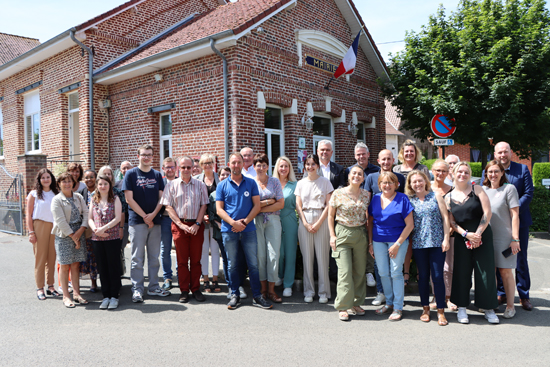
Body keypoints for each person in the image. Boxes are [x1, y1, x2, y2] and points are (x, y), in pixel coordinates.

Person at [216, 152, 272, 310]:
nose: (236, 165)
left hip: (249, 229)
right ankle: (234, 294)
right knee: (232, 265)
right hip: (229, 229)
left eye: (239, 162)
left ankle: (257, 296)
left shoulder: (251, 183)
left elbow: (257, 206)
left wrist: (245, 222)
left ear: (242, 164)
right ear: (229, 164)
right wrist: (233, 223)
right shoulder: (222, 185)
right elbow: (219, 210)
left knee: (253, 264)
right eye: (233, 162)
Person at [446, 162, 499, 324]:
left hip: (482, 235)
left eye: (466, 172)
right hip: (463, 237)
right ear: (453, 173)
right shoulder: (447, 197)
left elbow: (487, 213)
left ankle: (488, 308)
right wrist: (466, 234)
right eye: (459, 172)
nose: (462, 174)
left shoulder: (478, 190)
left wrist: (478, 234)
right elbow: (452, 222)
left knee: (485, 271)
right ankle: (461, 308)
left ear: (470, 174)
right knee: (462, 271)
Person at [489, 142, 534, 311]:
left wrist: (512, 208)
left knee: (520, 258)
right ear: (495, 154)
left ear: (510, 152)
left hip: (519, 222)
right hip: (498, 224)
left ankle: (524, 295)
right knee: (501, 257)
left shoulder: (522, 170)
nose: (503, 155)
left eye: (505, 152)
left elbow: (528, 193)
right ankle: (501, 292)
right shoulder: (492, 170)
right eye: (499, 152)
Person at [123, 144, 170, 303]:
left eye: (149, 154)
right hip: (137, 222)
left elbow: (162, 198)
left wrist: (153, 215)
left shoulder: (157, 175)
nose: (147, 157)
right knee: (137, 257)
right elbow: (129, 199)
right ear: (138, 156)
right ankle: (137, 289)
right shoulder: (130, 174)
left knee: (154, 257)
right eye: (144, 154)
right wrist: (145, 216)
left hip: (155, 222)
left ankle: (154, 287)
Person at [161, 156, 209, 303]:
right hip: (179, 225)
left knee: (196, 260)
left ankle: (195, 289)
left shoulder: (200, 185)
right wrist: (180, 225)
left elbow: (204, 205)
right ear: (178, 168)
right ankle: (183, 290)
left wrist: (198, 224)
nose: (186, 170)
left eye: (189, 167)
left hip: (196, 226)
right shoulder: (171, 185)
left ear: (193, 168)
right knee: (182, 261)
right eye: (183, 167)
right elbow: (168, 206)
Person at [368, 171, 414, 321]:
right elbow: (370, 222)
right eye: (384, 182)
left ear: (396, 184)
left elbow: (410, 225)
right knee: (382, 272)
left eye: (390, 182)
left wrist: (397, 244)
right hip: (378, 240)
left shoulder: (402, 198)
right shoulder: (375, 198)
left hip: (397, 240)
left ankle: (398, 306)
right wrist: (370, 243)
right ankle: (389, 303)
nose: (387, 185)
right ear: (379, 185)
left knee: (396, 272)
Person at [406, 170, 450, 326]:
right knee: (423, 277)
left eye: (420, 180)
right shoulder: (409, 200)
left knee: (438, 277)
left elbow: (445, 218)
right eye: (414, 182)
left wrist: (446, 238)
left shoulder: (436, 196)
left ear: (425, 181)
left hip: (437, 243)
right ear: (410, 185)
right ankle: (425, 308)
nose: (417, 184)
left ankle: (440, 311)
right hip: (419, 244)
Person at [328, 165, 370, 321]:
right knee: (345, 272)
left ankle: (356, 303)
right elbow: (330, 216)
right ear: (349, 176)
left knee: (359, 272)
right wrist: (332, 235)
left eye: (360, 174)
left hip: (360, 234)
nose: (357, 176)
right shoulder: (338, 193)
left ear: (363, 178)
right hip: (343, 233)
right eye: (354, 173)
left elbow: (368, 217)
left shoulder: (366, 195)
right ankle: (343, 306)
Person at [364, 149, 405, 305]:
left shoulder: (400, 177)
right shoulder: (371, 177)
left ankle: (396, 298)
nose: (386, 162)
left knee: (395, 269)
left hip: (396, 230)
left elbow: (402, 201)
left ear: (393, 160)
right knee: (380, 266)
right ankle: (382, 293)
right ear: (378, 160)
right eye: (383, 159)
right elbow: (368, 204)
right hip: (378, 230)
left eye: (389, 159)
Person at [483, 160, 520, 318]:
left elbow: (515, 215)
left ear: (502, 173)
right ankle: (491, 305)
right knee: (490, 272)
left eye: (496, 171)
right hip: (486, 238)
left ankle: (511, 306)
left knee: (505, 272)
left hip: (505, 238)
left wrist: (515, 238)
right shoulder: (483, 190)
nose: (493, 174)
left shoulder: (509, 189)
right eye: (490, 171)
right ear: (486, 173)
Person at [295, 154, 333, 303]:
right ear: (304, 166)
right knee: (307, 259)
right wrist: (304, 223)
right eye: (308, 164)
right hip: (305, 219)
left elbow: (329, 205)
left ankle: (324, 292)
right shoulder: (301, 183)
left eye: (313, 164)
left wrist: (318, 223)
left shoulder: (325, 182)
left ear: (318, 166)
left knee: (323, 258)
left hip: (321, 219)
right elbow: (298, 205)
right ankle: (309, 291)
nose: (310, 167)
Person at [343, 143, 380, 288]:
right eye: (358, 154)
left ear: (368, 154)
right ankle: (357, 274)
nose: (361, 157)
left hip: (372, 213)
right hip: (354, 214)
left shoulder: (376, 171)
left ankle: (369, 272)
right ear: (354, 156)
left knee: (369, 243)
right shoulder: (349, 170)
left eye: (363, 154)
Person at [393, 139, 428, 285]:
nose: (409, 153)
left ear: (416, 153)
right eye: (406, 151)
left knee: (420, 241)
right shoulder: (396, 170)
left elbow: (428, 187)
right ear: (402, 153)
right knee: (406, 241)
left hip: (420, 207)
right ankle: (406, 273)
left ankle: (421, 273)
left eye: (411, 151)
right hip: (403, 209)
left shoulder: (423, 168)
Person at [51, 172, 89, 308]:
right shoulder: (56, 200)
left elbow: (86, 213)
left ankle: (77, 294)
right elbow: (60, 221)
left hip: (79, 232)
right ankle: (66, 296)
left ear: (73, 183)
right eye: (64, 181)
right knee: (65, 265)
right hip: (64, 236)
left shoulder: (78, 197)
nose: (67, 184)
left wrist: (81, 231)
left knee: (75, 265)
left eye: (69, 181)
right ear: (59, 184)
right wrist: (74, 237)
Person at [253, 153, 284, 303]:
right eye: (258, 165)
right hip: (256, 221)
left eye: (264, 165)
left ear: (268, 166)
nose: (261, 167)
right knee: (260, 255)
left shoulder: (275, 181)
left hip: (273, 219)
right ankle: (263, 290)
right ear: (254, 167)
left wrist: (260, 207)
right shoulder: (251, 183)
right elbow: (251, 207)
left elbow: (280, 204)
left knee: (273, 254)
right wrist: (268, 202)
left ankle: (271, 290)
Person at [88, 175, 122, 309]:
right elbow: (90, 218)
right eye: (100, 184)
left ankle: (114, 296)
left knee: (113, 267)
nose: (103, 186)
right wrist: (95, 229)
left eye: (105, 184)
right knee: (102, 268)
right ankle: (105, 296)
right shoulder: (94, 200)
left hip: (112, 238)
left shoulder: (115, 199)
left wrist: (103, 228)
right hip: (97, 239)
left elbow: (118, 218)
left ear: (110, 186)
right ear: (97, 186)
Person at [315, 140, 346, 285]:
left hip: (334, 213)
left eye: (327, 150)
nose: (324, 152)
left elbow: (341, 187)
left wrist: (330, 199)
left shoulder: (339, 169)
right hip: (316, 212)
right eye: (322, 150)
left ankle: (334, 276)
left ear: (331, 152)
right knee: (317, 245)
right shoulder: (312, 167)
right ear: (317, 151)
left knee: (333, 243)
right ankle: (317, 275)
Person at [26, 168, 59, 300]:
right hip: (39, 226)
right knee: (40, 258)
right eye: (43, 177)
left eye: (48, 177)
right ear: (39, 180)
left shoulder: (56, 193)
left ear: (52, 179)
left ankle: (50, 286)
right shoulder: (34, 194)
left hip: (54, 227)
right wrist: (31, 232)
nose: (46, 179)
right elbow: (28, 214)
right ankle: (40, 287)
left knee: (52, 258)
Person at [430, 159, 457, 311]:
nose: (440, 173)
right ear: (432, 171)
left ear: (448, 173)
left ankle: (449, 297)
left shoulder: (453, 190)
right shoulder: (427, 189)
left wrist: (449, 231)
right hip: (432, 236)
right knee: (434, 268)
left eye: (444, 171)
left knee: (449, 266)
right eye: (437, 170)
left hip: (451, 234)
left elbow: (455, 213)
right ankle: (436, 295)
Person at [194, 154, 221, 293]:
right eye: (205, 163)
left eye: (210, 162)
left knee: (215, 250)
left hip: (216, 221)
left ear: (213, 164)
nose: (208, 165)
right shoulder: (196, 180)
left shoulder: (220, 179)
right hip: (202, 221)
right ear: (201, 165)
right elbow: (195, 201)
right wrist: (202, 215)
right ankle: (205, 279)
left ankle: (215, 279)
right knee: (204, 250)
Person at [272, 156, 299, 298]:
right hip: (274, 219)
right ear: (277, 168)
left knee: (290, 253)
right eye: (281, 166)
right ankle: (280, 275)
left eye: (286, 166)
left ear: (289, 168)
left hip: (290, 219)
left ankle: (288, 284)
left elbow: (299, 205)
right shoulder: (272, 183)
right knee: (279, 252)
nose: (283, 169)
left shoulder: (295, 185)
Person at [98, 165, 128, 276]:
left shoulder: (118, 192)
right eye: (104, 174)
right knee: (103, 258)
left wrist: (121, 228)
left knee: (115, 256)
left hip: (116, 229)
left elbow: (123, 212)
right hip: (100, 230)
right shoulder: (96, 193)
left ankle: (117, 280)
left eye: (109, 174)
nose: (107, 176)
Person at [209, 167, 231, 297]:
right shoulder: (213, 195)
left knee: (235, 259)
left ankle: (238, 283)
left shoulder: (236, 191)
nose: (225, 176)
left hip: (235, 230)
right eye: (222, 174)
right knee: (226, 259)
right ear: (219, 176)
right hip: (220, 231)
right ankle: (230, 284)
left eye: (228, 174)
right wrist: (222, 225)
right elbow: (211, 214)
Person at [78, 169, 98, 293]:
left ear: (96, 178)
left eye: (91, 177)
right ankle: (93, 283)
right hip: (86, 229)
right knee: (89, 256)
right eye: (86, 177)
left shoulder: (101, 190)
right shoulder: (80, 194)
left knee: (97, 256)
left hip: (100, 227)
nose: (89, 179)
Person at [160, 157, 178, 290]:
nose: (170, 169)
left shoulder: (181, 181)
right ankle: (167, 277)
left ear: (175, 168)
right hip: (164, 219)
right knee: (165, 249)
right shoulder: (160, 183)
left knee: (180, 249)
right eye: (167, 167)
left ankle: (181, 275)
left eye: (172, 167)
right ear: (163, 169)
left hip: (179, 220)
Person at [115, 160, 133, 270]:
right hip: (124, 221)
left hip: (136, 219)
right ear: (121, 171)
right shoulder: (116, 185)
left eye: (128, 168)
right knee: (121, 246)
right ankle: (120, 268)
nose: (126, 170)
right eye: (123, 168)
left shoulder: (137, 183)